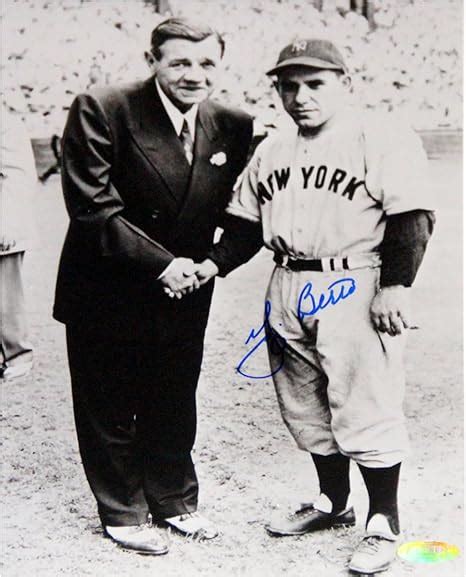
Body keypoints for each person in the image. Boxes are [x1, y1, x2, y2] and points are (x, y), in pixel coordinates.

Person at [194, 39, 435, 574]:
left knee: (364, 401)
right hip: (287, 281)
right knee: (302, 403)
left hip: (354, 281)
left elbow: (411, 217)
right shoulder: (272, 148)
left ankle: (384, 522)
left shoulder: (381, 135)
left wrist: (396, 286)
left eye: (314, 83)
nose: (299, 96)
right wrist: (212, 264)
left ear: (345, 84)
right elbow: (243, 225)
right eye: (288, 85)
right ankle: (333, 503)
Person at [53, 18, 252, 555]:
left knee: (173, 396)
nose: (194, 74)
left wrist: (211, 265)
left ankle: (174, 500)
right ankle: (121, 509)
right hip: (107, 285)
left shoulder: (234, 123)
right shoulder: (103, 107)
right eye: (180, 62)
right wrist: (164, 265)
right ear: (153, 60)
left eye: (206, 63)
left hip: (187, 289)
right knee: (110, 400)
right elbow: (93, 206)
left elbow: (248, 214)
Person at [0, 103, 36, 381]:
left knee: (6, 292)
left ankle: (18, 353)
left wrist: (7, 221)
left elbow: (18, 175)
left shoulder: (6, 124)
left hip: (4, 223)